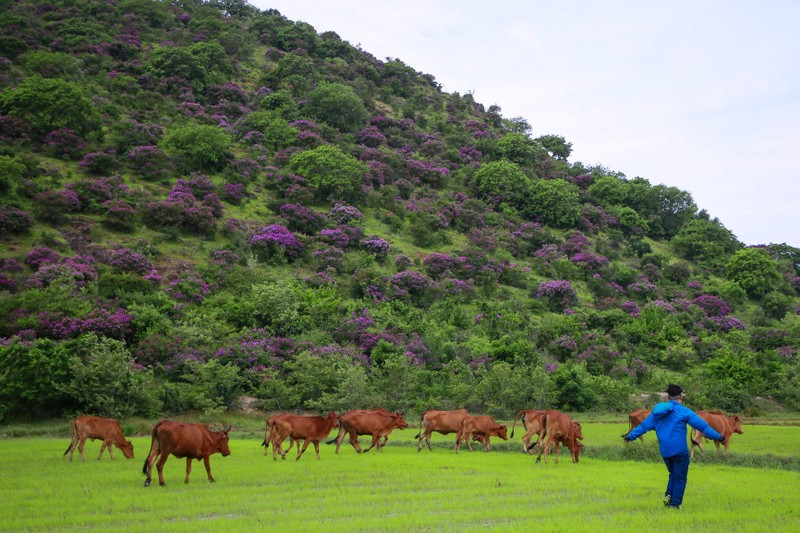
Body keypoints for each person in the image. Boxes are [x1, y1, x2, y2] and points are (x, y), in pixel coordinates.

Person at [623, 384, 725, 510]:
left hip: (665, 451)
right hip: (680, 451)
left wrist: (629, 437)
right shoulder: (684, 411)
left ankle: (669, 495)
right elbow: (703, 427)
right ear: (681, 396)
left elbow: (644, 427)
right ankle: (675, 505)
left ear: (668, 397)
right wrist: (719, 437)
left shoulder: (657, 412)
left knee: (673, 473)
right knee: (680, 477)